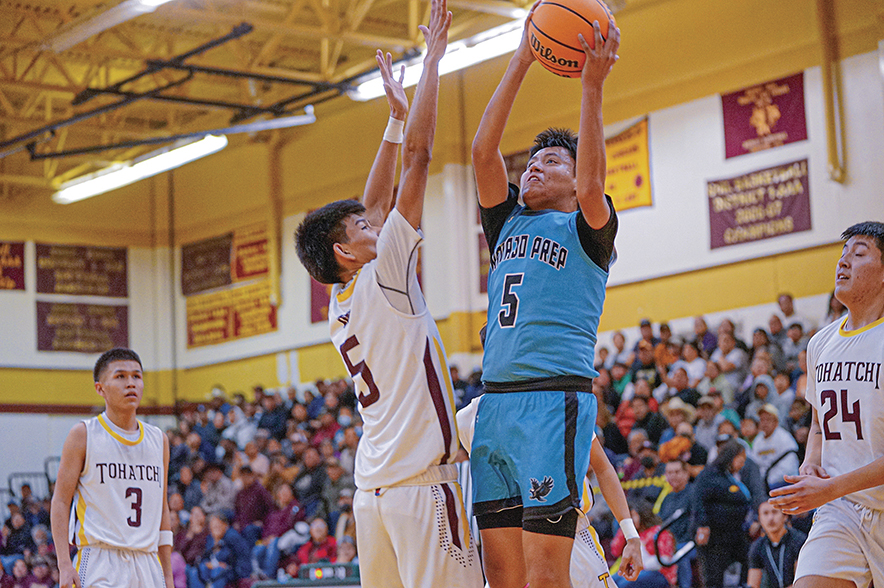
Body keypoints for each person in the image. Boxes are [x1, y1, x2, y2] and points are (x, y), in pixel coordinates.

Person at [294, 3, 482, 586]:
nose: (378, 225)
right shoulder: (386, 275)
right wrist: (433, 62)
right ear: (349, 252)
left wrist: (392, 121)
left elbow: (368, 208)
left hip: (373, 496)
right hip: (422, 492)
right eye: (364, 232)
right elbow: (420, 160)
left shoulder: (341, 298)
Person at [468, 8, 629, 584]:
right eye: (532, 161)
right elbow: (483, 153)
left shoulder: (589, 228)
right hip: (495, 406)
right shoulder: (506, 223)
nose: (535, 167)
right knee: (503, 580)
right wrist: (521, 58)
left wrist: (591, 86)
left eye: (550, 161)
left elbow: (592, 184)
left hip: (552, 403)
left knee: (544, 578)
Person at [770, 221, 884, 588]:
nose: (844, 261)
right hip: (841, 512)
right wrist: (812, 464)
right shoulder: (820, 343)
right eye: (843, 252)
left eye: (860, 253)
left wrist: (831, 488)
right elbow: (819, 423)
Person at [456, 395, 642, 588]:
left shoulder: (563, 400)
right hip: (513, 552)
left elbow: (602, 467)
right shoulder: (469, 417)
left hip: (572, 541)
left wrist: (631, 535)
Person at [50, 348, 174, 588]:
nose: (131, 383)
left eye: (137, 376)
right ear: (100, 388)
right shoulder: (83, 434)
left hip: (147, 562)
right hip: (100, 560)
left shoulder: (159, 440)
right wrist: (64, 564)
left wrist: (167, 575)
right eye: (120, 377)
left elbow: (162, 511)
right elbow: (60, 502)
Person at [693, 438, 752, 588]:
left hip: (735, 533)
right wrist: (703, 525)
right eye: (741, 459)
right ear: (731, 457)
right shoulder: (709, 474)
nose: (743, 463)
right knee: (715, 576)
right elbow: (699, 500)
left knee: (749, 559)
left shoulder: (731, 475)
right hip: (715, 536)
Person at [747, 501, 806, 588]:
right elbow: (752, 584)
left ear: (785, 516)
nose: (770, 518)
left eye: (774, 512)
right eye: (765, 513)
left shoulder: (799, 540)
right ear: (759, 519)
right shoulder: (757, 546)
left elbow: (802, 583)